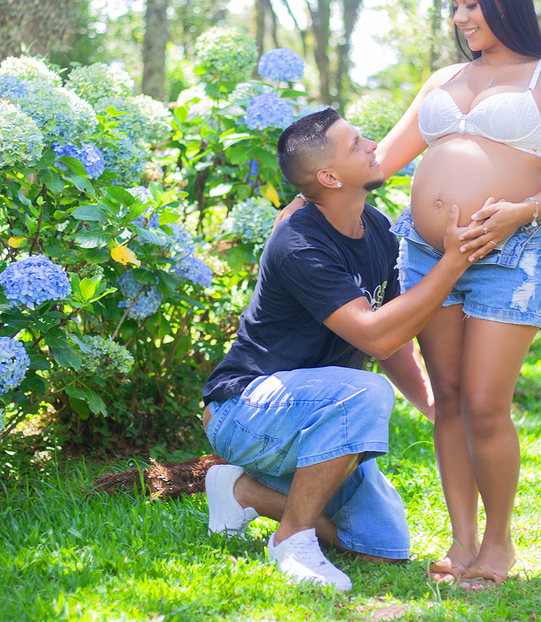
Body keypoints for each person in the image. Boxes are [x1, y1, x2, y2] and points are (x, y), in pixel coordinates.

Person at [375, 0, 541, 589]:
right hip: (425, 256)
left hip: (510, 254)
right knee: (446, 400)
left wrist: (521, 212)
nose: (461, 18)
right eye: (455, 5)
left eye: (471, 3)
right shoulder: (441, 81)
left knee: (485, 404)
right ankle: (462, 539)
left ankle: (499, 542)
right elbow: (385, 160)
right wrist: (312, 189)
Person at [201, 108, 494, 592]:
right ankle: (291, 539)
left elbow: (394, 336)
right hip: (243, 409)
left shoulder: (376, 228)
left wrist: (435, 405)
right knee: (366, 393)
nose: (375, 145)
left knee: (383, 547)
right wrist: (454, 262)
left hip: (319, 413)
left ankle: (241, 491)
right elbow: (374, 335)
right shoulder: (298, 243)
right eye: (357, 144)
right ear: (329, 176)